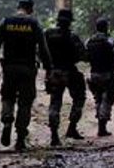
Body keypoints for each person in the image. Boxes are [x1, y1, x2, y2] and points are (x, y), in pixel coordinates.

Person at [0, 0, 52, 151]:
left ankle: (7, 120)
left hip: (9, 69)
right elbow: (43, 49)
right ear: (30, 9)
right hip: (28, 70)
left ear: (18, 7)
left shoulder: (5, 22)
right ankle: (20, 139)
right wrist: (49, 69)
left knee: (8, 97)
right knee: (25, 102)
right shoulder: (34, 24)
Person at [44, 9, 87, 146]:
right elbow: (83, 55)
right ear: (70, 22)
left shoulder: (48, 34)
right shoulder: (73, 36)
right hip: (70, 71)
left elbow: (41, 53)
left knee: (55, 103)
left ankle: (54, 136)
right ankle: (72, 128)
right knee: (79, 98)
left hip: (55, 72)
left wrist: (48, 67)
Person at [85, 17, 114, 137]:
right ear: (106, 28)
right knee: (107, 100)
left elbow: (85, 57)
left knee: (98, 98)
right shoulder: (110, 41)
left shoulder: (89, 41)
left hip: (94, 74)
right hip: (108, 75)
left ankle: (100, 121)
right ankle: (102, 127)